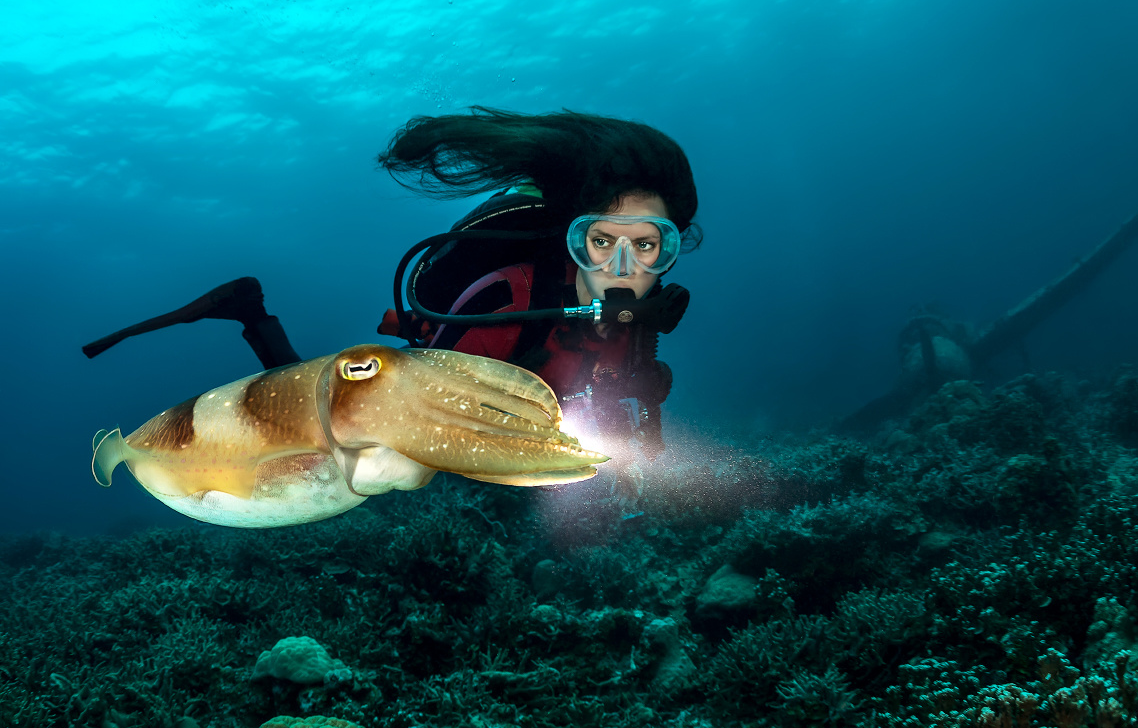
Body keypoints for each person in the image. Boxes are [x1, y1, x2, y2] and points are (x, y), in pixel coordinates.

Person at [82, 108, 702, 463]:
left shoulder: (639, 315)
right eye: (602, 242)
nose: (624, 268)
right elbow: (432, 420)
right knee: (327, 444)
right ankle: (251, 314)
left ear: (670, 249)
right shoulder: (510, 303)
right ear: (573, 237)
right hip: (429, 381)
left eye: (647, 246)